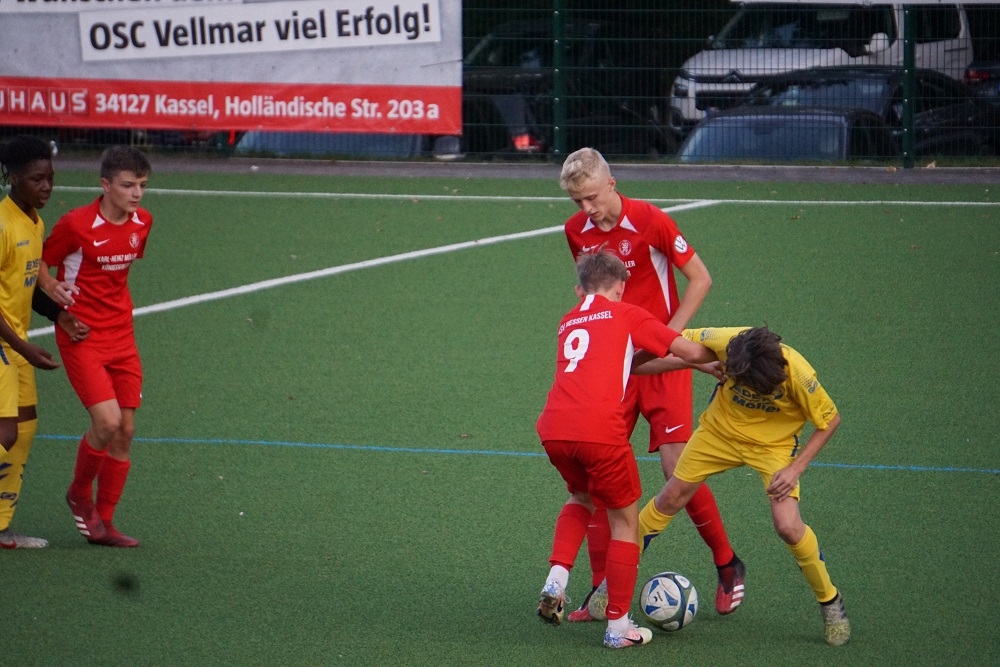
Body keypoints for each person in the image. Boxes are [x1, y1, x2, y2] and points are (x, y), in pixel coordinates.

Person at [558, 147, 744, 621]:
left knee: (677, 468)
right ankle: (599, 591)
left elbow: (700, 278)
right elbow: (591, 295)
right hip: (615, 368)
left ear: (612, 183)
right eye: (578, 201)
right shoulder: (575, 231)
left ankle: (727, 562)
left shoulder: (650, 220)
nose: (587, 209)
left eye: (593, 197)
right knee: (599, 476)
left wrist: (668, 339)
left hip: (661, 362)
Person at [535, 251, 717, 650]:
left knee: (580, 497)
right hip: (599, 431)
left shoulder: (568, 321)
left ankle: (557, 578)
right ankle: (618, 627)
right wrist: (726, 357)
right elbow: (686, 348)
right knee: (626, 524)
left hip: (553, 428)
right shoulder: (628, 313)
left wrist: (692, 366)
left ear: (581, 289)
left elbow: (630, 363)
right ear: (620, 286)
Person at [637, 326, 850, 646]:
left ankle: (830, 601)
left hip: (773, 446)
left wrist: (795, 468)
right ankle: (614, 579)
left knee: (788, 526)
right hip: (718, 433)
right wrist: (683, 363)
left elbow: (830, 419)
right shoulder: (727, 342)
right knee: (671, 496)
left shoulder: (798, 374)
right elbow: (667, 342)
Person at [39, 145, 154, 548]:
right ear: (105, 185)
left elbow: (117, 276)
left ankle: (105, 522)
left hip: (122, 335)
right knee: (106, 422)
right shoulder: (76, 224)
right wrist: (51, 286)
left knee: (126, 430)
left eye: (142, 185)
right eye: (128, 185)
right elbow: (39, 261)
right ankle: (78, 492)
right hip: (81, 335)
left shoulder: (143, 222)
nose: (137, 193)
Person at [0, 135, 87, 549]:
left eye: (50, 177)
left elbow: (28, 284)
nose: (47, 186)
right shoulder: (2, 225)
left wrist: (58, 315)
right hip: (6, 343)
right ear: (13, 178)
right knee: (5, 433)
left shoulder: (33, 222)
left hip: (14, 341)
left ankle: (0, 527)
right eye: (37, 179)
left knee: (24, 429)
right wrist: (25, 349)